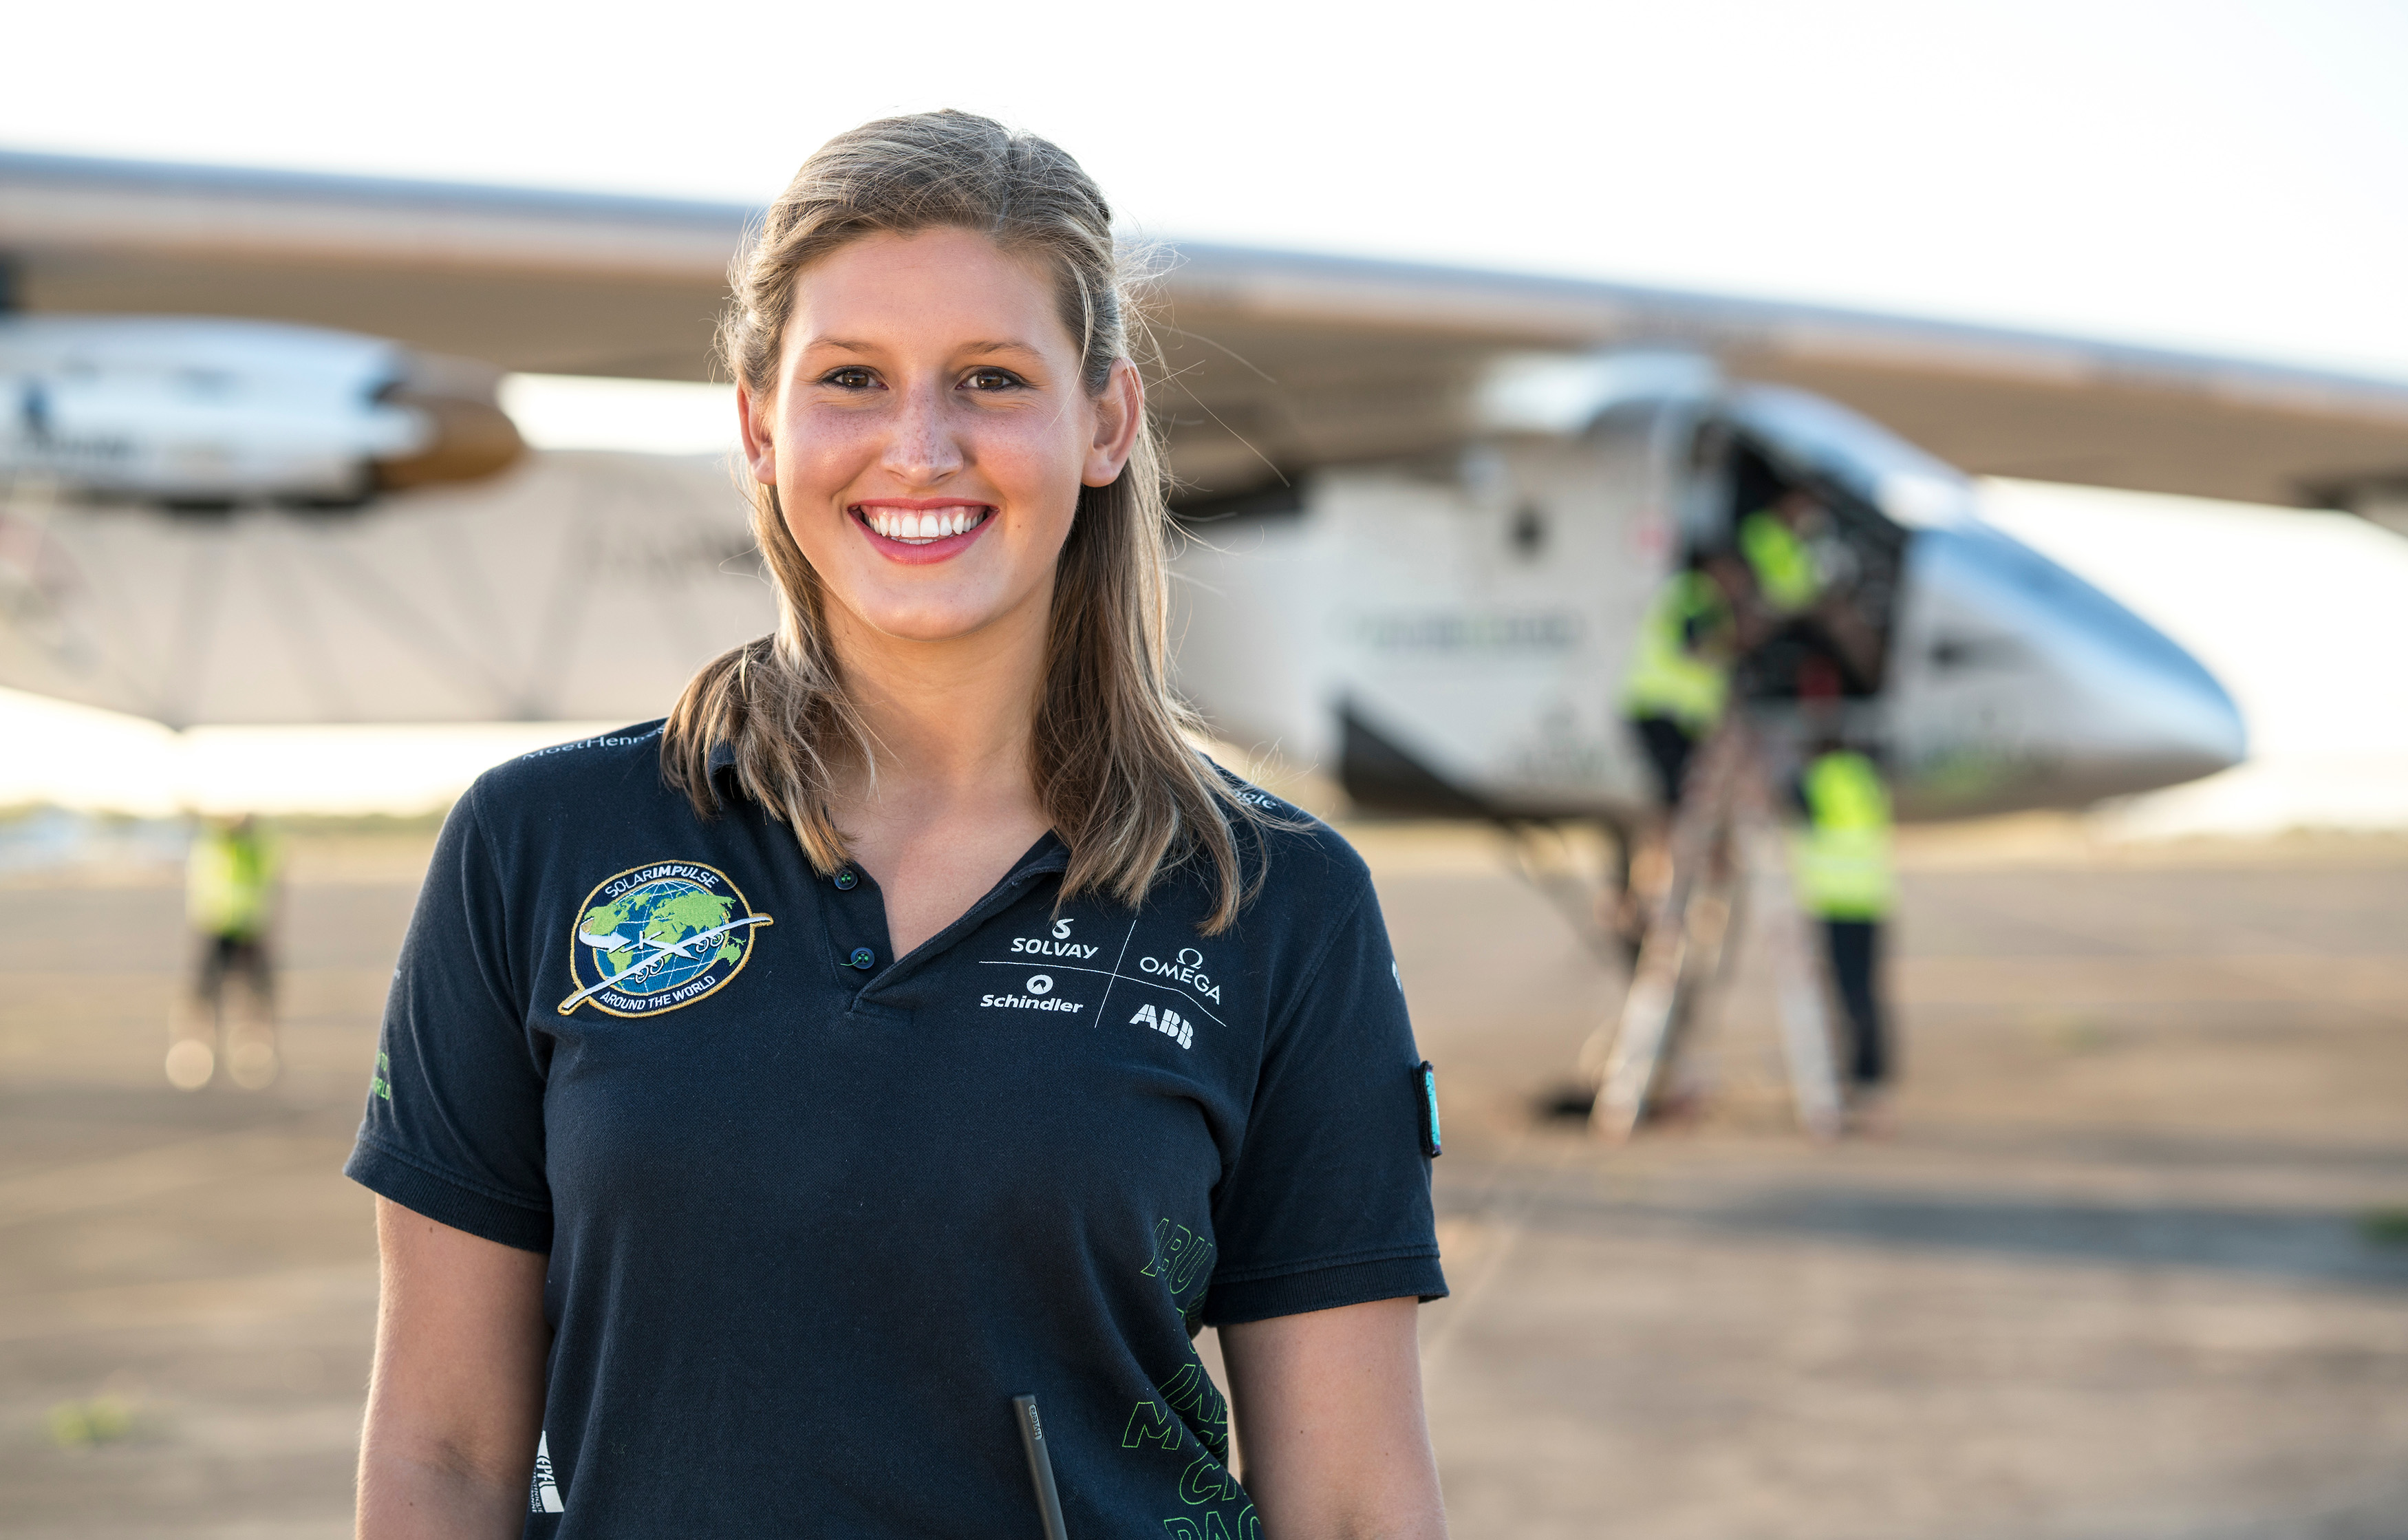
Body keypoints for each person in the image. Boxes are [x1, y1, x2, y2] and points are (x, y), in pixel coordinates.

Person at [346, 112, 1449, 1540]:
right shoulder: (538, 848)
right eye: (851, 380)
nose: (918, 450)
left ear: (1104, 421)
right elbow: (439, 1457)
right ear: (760, 424)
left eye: (991, 380)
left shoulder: (1271, 901)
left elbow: (1355, 1504)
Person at [1791, 742, 1896, 1115]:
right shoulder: (1868, 778)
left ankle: (1851, 1079)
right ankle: (1872, 1079)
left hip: (1835, 903)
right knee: (1867, 994)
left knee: (1842, 996)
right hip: (1871, 900)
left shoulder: (1819, 778)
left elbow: (1788, 800)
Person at [169, 812, 279, 1090]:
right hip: (215, 925)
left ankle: (253, 1048)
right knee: (203, 993)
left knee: (255, 994)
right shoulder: (211, 838)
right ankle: (195, 1049)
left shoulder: (257, 841)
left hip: (249, 927)